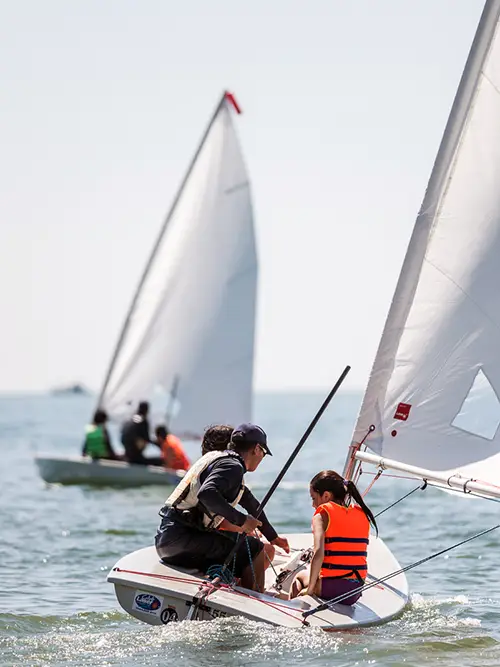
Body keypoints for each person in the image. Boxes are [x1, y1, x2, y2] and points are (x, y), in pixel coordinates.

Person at [155, 423, 290, 591]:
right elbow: (207, 493)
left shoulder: (220, 461)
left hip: (167, 541)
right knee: (255, 548)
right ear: (256, 449)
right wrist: (241, 521)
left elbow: (252, 504)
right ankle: (252, 600)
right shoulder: (232, 467)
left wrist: (273, 537)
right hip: (183, 541)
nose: (262, 457)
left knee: (249, 544)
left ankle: (234, 586)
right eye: (263, 452)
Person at [289, 470, 377, 605]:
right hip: (355, 590)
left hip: (332, 588)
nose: (313, 504)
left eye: (313, 498)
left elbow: (319, 552)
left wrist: (310, 590)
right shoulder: (361, 514)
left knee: (300, 577)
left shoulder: (322, 515)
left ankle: (295, 614)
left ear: (326, 495)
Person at [120, 401, 163, 466]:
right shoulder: (143, 421)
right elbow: (147, 438)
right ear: (147, 410)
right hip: (135, 456)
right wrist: (160, 445)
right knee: (161, 461)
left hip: (127, 453)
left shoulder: (130, 419)